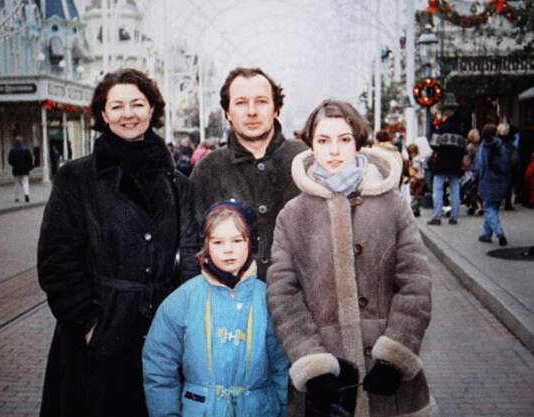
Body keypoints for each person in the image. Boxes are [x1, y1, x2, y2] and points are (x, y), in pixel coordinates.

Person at [37, 68, 200, 417]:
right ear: (103, 114)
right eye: (117, 106)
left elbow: (189, 257)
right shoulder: (76, 178)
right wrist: (88, 323)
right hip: (97, 338)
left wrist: (182, 323)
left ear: (152, 110)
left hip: (161, 334)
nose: (128, 114)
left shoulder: (177, 183)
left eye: (137, 104)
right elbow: (57, 260)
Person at [266, 100, 433, 417]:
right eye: (323, 140)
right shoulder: (292, 215)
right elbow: (282, 295)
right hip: (327, 383)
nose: (334, 150)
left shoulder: (392, 205)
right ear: (311, 145)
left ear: (358, 141)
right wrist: (313, 363)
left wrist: (395, 354)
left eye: (344, 139)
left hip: (390, 384)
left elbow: (416, 282)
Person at [143, 200, 289, 417]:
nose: (228, 250)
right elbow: (159, 367)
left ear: (251, 242)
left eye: (237, 240)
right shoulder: (182, 301)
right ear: (206, 245)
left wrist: (284, 410)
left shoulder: (268, 299)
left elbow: (283, 368)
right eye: (218, 242)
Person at [190, 67, 307, 280]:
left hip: (299, 294)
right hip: (232, 294)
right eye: (241, 102)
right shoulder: (207, 171)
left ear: (276, 109)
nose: (252, 111)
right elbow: (195, 246)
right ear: (227, 112)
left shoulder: (305, 161)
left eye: (261, 101)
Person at [427, 108, 468, 225]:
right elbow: (464, 149)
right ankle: (454, 217)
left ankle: (437, 217)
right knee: (455, 189)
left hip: (441, 163)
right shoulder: (460, 132)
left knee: (438, 189)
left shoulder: (441, 130)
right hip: (455, 164)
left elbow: (433, 144)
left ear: (446, 118)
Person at [474, 124, 510, 246]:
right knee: (493, 207)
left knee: (489, 208)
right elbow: (506, 163)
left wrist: (478, 178)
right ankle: (486, 234)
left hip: (488, 179)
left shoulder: (484, 146)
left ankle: (500, 233)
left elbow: (481, 165)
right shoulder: (501, 145)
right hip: (501, 179)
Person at [8, 136, 34, 202]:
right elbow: (30, 159)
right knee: (25, 182)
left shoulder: (12, 150)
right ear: (22, 142)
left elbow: (10, 161)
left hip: (16, 169)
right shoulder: (26, 149)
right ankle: (26, 195)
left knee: (16, 183)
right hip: (25, 169)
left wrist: (14, 164)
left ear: (15, 142)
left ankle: (16, 197)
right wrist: (29, 166)